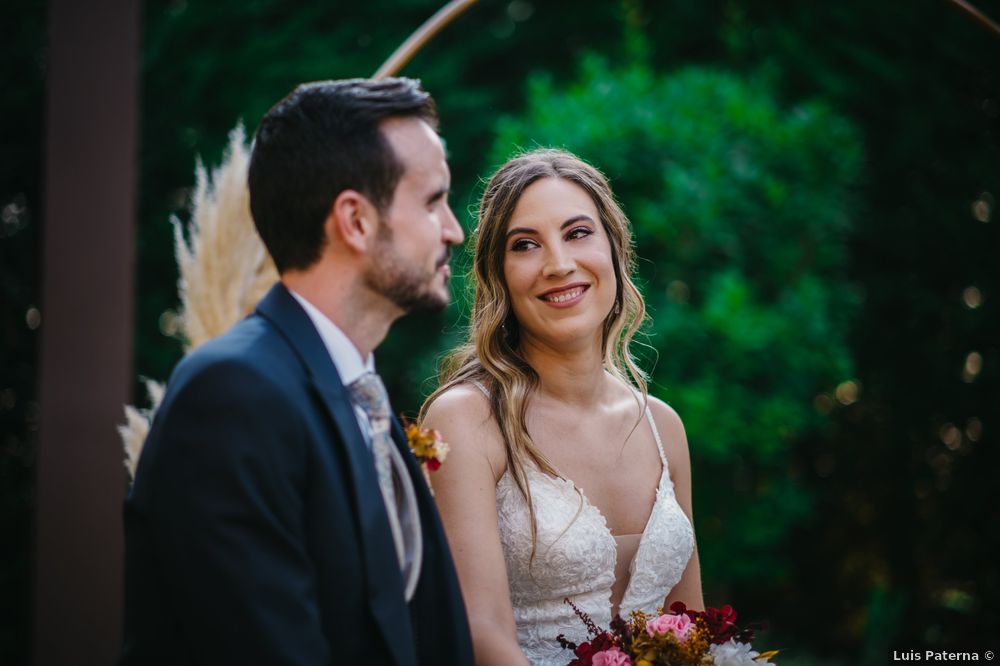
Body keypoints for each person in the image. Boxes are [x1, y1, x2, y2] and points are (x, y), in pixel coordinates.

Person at [121, 77, 473, 665]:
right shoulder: (232, 395)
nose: (453, 230)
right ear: (356, 221)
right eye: (433, 201)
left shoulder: (358, 391)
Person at [420, 148, 704, 665]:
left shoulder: (663, 426)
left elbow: (693, 625)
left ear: (615, 248)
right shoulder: (465, 421)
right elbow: (479, 632)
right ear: (498, 274)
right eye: (525, 245)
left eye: (577, 233)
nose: (558, 264)